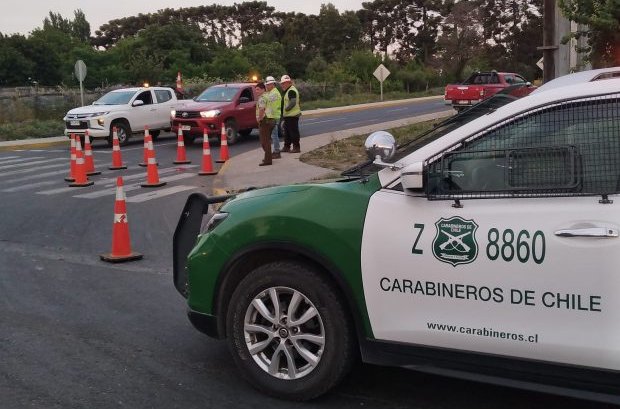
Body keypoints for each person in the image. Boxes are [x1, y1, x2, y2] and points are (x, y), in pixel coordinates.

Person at [279, 75, 301, 153]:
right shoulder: (287, 90)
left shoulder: (291, 90)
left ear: (289, 83)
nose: (282, 85)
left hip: (292, 115)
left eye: (284, 83)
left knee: (293, 132)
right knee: (287, 132)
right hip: (288, 115)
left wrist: (286, 108)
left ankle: (296, 147)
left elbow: (293, 102)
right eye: (282, 83)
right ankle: (286, 146)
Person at [264, 76, 282, 159]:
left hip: (273, 117)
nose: (266, 86)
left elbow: (269, 104)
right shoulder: (272, 92)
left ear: (272, 84)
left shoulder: (274, 93)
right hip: (273, 116)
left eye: (267, 85)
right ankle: (276, 151)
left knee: (274, 135)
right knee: (273, 135)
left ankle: (277, 151)